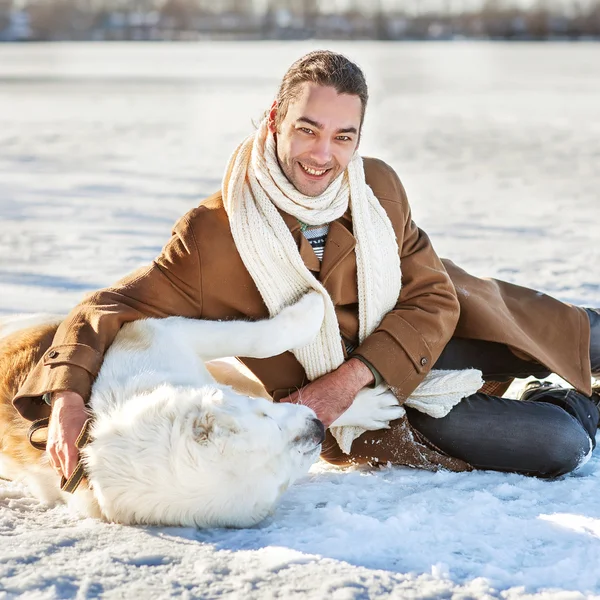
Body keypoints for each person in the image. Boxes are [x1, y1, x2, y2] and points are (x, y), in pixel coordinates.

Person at [12, 50, 600, 482]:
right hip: (386, 410)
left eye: (344, 137)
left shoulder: (380, 188)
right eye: (308, 129)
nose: (325, 155)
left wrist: (345, 383)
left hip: (439, 331)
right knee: (559, 444)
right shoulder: (213, 236)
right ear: (275, 120)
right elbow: (108, 307)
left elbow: (435, 299)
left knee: (583, 332)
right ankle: (575, 399)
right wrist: (67, 395)